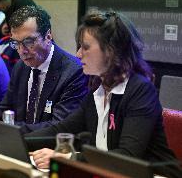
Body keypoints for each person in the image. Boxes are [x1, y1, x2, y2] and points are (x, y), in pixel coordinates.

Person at [26, 11, 182, 177]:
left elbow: (127, 156)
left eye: (85, 47)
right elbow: (62, 129)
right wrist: (18, 141)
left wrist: (68, 159)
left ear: (111, 51)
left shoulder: (140, 90)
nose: (78, 54)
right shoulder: (98, 90)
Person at [0, 5, 88, 133]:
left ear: (48, 36)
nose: (22, 51)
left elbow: (57, 126)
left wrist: (0, 126)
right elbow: (5, 110)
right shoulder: (21, 66)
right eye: (16, 43)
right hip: (19, 144)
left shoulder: (74, 72)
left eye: (28, 42)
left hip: (49, 149)